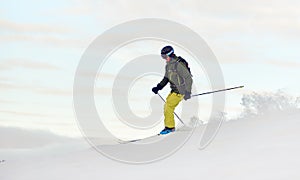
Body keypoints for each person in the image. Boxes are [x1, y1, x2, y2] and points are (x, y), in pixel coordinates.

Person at [152, 46, 193, 135]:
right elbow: (166, 78)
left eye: (165, 56)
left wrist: (188, 92)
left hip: (180, 91)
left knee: (168, 107)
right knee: (167, 105)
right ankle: (169, 126)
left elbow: (188, 78)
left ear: (170, 54)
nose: (164, 59)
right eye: (162, 57)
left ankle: (170, 128)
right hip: (174, 91)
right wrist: (158, 87)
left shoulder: (178, 64)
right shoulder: (168, 65)